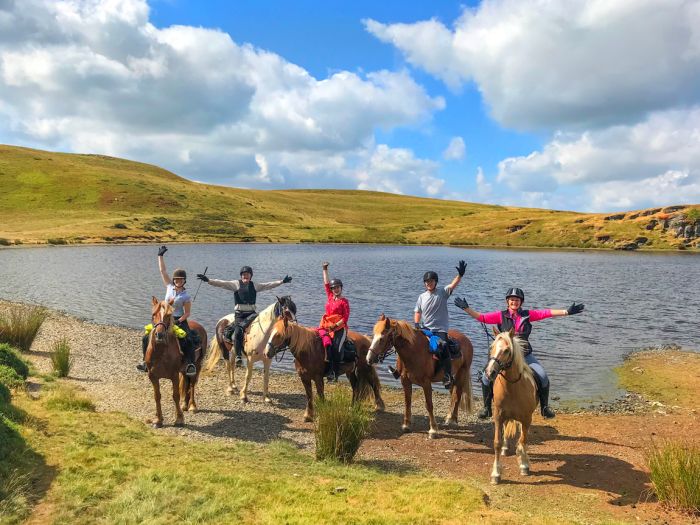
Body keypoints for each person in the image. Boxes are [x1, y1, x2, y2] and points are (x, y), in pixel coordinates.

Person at [454, 288, 584, 419]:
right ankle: (487, 408)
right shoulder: (500, 315)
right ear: (507, 301)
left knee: (543, 376)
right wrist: (467, 308)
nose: (514, 302)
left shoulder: (527, 315)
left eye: (517, 300)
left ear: (521, 302)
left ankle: (545, 407)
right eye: (512, 300)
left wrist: (566, 312)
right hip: (504, 357)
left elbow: (546, 313)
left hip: (525, 355)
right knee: (485, 377)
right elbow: (481, 317)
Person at [197, 266, 292, 366]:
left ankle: (264, 349)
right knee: (238, 331)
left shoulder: (255, 285)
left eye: (247, 274)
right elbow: (222, 283)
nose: (245, 276)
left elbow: (268, 285)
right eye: (243, 274)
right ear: (241, 276)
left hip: (252, 314)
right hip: (240, 315)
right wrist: (208, 280)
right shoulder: (236, 284)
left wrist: (282, 281)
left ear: (251, 276)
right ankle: (238, 356)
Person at [137, 245, 198, 377]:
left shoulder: (186, 296)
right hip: (164, 320)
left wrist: (178, 321)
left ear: (184, 281)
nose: (177, 281)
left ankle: (190, 364)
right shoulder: (169, 286)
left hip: (178, 320)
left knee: (187, 339)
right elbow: (163, 271)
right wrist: (160, 256)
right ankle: (145, 362)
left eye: (180, 279)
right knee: (146, 337)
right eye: (176, 279)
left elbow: (187, 313)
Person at [411, 260, 467, 389]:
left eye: (431, 281)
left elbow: (453, 285)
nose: (429, 283)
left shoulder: (442, 292)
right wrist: (416, 324)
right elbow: (417, 311)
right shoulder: (421, 297)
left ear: (435, 282)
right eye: (427, 282)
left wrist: (460, 275)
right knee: (410, 342)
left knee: (443, 346)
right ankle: (402, 371)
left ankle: (447, 376)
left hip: (440, 329)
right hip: (425, 328)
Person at [318, 262, 350, 382]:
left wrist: (335, 326)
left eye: (338, 287)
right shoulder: (330, 297)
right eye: (334, 288)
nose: (336, 289)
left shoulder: (344, 302)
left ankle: (334, 373)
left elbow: (345, 318)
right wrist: (324, 269)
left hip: (339, 328)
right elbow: (326, 283)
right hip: (327, 325)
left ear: (341, 288)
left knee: (336, 348)